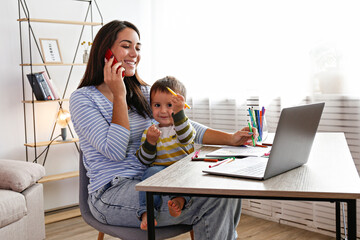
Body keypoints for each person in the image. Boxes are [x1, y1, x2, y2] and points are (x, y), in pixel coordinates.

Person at [69, 20, 257, 240]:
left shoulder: (145, 92)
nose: (134, 54)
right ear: (106, 52)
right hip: (112, 192)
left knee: (225, 190)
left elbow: (181, 123)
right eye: (126, 46)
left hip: (157, 179)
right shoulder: (83, 99)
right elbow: (116, 151)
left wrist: (231, 139)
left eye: (138, 48)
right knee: (215, 199)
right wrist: (118, 95)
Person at [136, 76, 195, 230]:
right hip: (160, 170)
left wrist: (179, 113)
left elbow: (187, 138)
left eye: (169, 105)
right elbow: (145, 160)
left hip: (181, 168)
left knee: (190, 179)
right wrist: (150, 142)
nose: (163, 111)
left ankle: (178, 202)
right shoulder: (149, 132)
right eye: (157, 105)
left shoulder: (182, 126)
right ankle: (147, 213)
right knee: (149, 173)